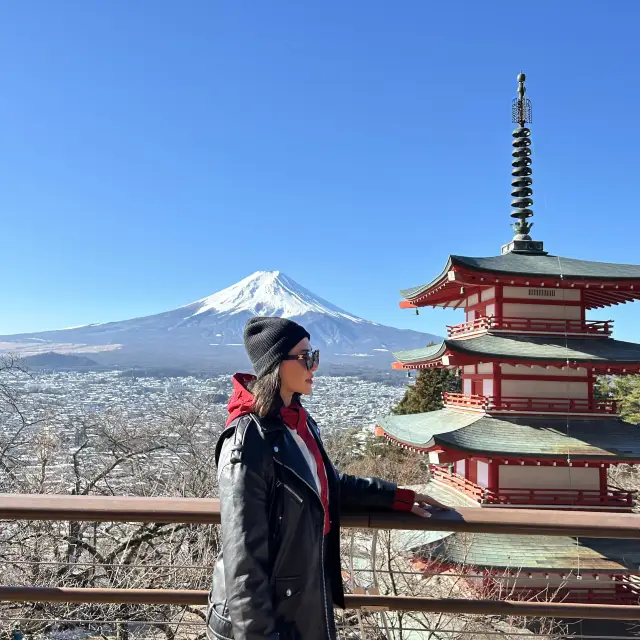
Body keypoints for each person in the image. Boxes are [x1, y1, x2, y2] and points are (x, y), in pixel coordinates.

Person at [207, 317, 449, 640]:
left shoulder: (299, 423)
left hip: (302, 606)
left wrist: (399, 497)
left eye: (315, 356)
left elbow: (329, 486)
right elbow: (244, 569)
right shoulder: (247, 442)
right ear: (277, 364)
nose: (314, 366)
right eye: (306, 357)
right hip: (271, 621)